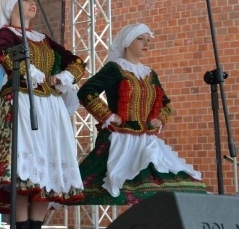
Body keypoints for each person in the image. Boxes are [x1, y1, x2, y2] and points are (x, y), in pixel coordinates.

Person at [0, 0, 85, 229]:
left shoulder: (43, 38)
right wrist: (28, 71)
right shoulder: (6, 33)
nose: (33, 3)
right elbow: (3, 55)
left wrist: (62, 77)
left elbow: (76, 61)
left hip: (49, 109)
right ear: (12, 6)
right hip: (22, 102)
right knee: (23, 173)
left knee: (46, 174)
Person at [76, 23, 207, 204]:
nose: (146, 43)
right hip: (121, 139)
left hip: (147, 140)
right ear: (127, 41)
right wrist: (107, 115)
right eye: (140, 38)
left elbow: (165, 103)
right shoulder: (115, 68)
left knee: (166, 185)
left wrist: (159, 118)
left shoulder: (149, 73)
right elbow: (86, 92)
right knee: (118, 186)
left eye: (148, 40)